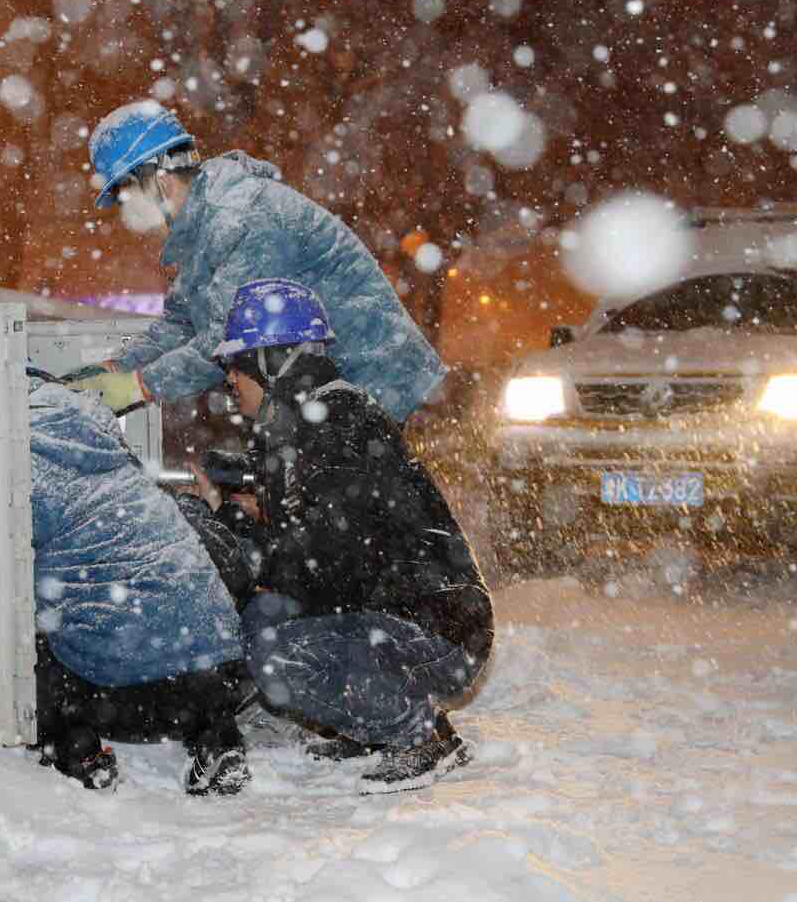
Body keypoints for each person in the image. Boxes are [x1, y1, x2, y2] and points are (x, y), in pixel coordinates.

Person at [195, 279, 494, 794]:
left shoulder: (335, 422)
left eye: (234, 366)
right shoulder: (303, 422)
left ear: (269, 362)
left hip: (438, 628)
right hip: (401, 614)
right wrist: (252, 517)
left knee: (274, 653)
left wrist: (245, 538)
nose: (229, 381)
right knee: (268, 619)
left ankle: (423, 736)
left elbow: (325, 557)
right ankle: (373, 725)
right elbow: (322, 545)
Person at [69, 100, 447, 425]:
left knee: (349, 502)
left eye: (123, 193)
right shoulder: (202, 230)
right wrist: (115, 368)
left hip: (374, 382)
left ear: (161, 180)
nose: (123, 209)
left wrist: (139, 387)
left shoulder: (243, 217)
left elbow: (228, 338)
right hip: (324, 391)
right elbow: (182, 323)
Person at [27, 367, 253, 795]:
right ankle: (218, 741)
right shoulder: (126, 476)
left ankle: (79, 752)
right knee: (181, 613)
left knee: (27, 625)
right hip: (218, 684)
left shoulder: (21, 459)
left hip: (121, 696)